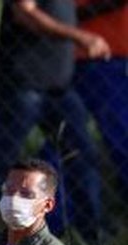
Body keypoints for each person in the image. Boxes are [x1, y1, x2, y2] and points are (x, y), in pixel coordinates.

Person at [0, 0, 110, 245]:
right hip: (24, 83)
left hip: (58, 86)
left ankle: (92, 236)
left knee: (82, 155)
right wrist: (80, 37)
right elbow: (24, 14)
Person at [74, 0, 128, 204]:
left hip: (104, 53)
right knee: (69, 139)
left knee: (120, 134)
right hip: (84, 54)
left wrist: (64, 16)